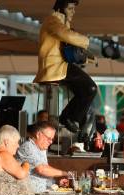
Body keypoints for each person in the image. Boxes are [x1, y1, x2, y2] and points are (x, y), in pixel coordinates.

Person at [34, 0, 97, 136]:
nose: (73, 12)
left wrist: (87, 58)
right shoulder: (53, 21)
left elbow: (68, 51)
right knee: (90, 88)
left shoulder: (62, 24)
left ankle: (69, 117)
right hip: (54, 67)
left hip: (61, 65)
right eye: (70, 8)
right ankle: (70, 118)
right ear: (60, 9)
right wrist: (87, 41)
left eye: (73, 9)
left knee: (84, 91)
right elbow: (66, 35)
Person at [16, 121, 69, 193]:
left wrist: (56, 182)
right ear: (38, 134)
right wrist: (66, 173)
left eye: (52, 139)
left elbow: (45, 173)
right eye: (48, 138)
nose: (51, 142)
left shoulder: (42, 148)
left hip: (44, 192)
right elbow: (41, 169)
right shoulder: (27, 147)